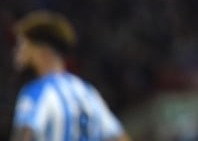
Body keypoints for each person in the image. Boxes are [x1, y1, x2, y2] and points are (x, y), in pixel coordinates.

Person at [10, 10, 131, 141]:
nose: (18, 55)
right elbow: (119, 137)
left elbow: (25, 135)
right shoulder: (87, 91)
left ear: (42, 53)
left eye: (23, 46)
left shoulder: (37, 91)